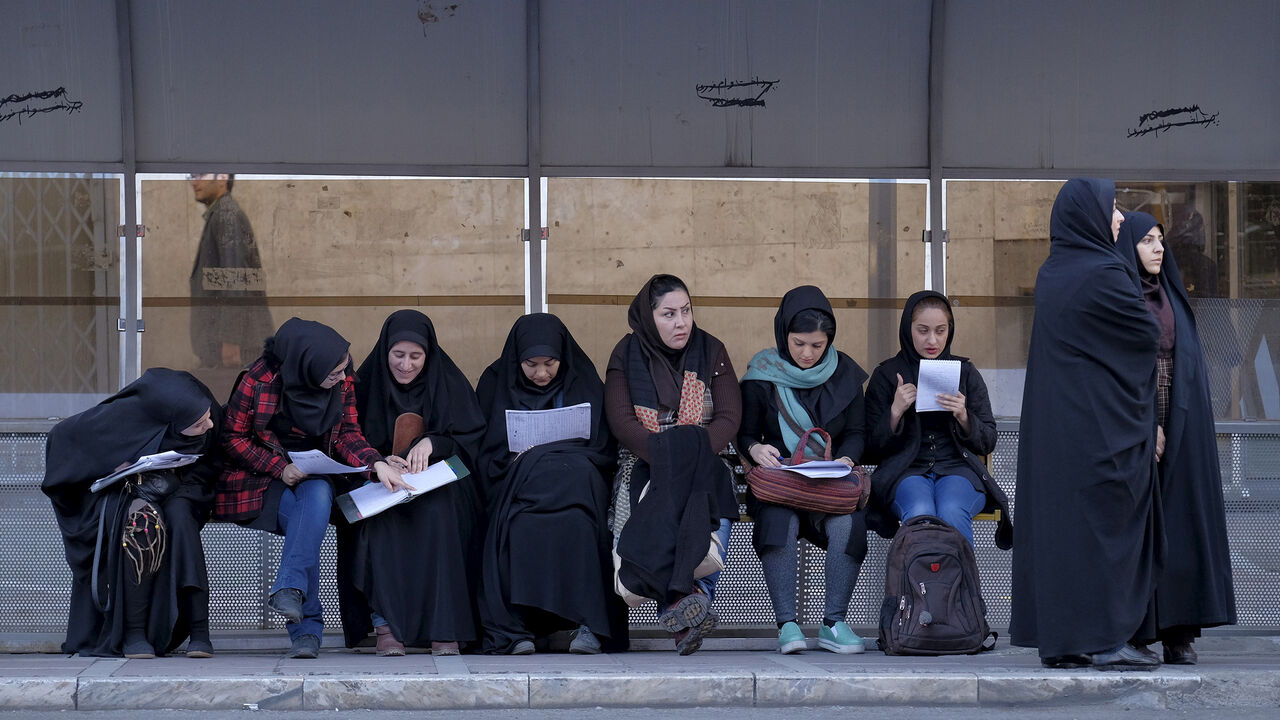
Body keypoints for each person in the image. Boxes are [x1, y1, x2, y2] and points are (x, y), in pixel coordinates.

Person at [1009, 178, 1163, 670]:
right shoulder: (1103, 271)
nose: (1119, 218)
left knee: (1065, 536)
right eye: (1112, 208)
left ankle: (1065, 641)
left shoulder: (1053, 271)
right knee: (1106, 531)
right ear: (1089, 216)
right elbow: (1145, 335)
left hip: (1059, 432)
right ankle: (1105, 637)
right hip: (1101, 432)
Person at [215, 317, 409, 659]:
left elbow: (348, 433)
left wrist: (375, 464)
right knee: (307, 525)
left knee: (317, 499)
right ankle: (304, 625)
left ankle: (294, 599)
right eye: (334, 373)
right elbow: (232, 438)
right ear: (307, 366)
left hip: (316, 473)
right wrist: (279, 467)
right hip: (260, 476)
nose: (343, 378)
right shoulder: (257, 381)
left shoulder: (342, 382)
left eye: (343, 370)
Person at [1117, 211, 1237, 664]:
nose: (1157, 248)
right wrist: (1147, 423)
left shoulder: (1171, 295)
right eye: (1146, 240)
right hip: (1136, 414)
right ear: (1128, 246)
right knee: (1140, 523)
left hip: (1180, 413)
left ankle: (1178, 632)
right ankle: (1137, 629)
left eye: (1160, 240)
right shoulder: (1123, 296)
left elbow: (1188, 359)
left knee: (1182, 521)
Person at [605, 274, 741, 655]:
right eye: (668, 314)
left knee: (708, 493)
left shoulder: (711, 349)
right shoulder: (626, 354)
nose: (681, 322)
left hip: (705, 459)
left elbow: (729, 417)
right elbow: (621, 421)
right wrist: (668, 457)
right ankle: (690, 599)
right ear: (649, 318)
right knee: (657, 499)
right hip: (647, 459)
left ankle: (683, 607)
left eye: (686, 311)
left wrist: (690, 454)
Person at [475, 313, 626, 655]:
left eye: (550, 363)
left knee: (582, 525)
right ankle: (517, 629)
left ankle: (590, 626)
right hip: (519, 491)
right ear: (517, 359)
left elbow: (603, 449)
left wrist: (549, 455)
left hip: (574, 489)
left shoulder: (583, 381)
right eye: (531, 364)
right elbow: (483, 453)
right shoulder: (495, 382)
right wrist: (519, 461)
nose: (542, 373)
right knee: (518, 526)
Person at [43, 369, 221, 659]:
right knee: (143, 521)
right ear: (170, 422)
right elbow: (63, 440)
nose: (210, 424)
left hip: (184, 493)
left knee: (181, 521)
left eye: (207, 417)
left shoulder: (206, 417)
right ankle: (134, 633)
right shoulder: (124, 420)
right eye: (199, 423)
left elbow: (210, 469)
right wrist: (112, 467)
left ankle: (199, 632)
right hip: (125, 498)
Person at [341, 309, 487, 657]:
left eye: (415, 356)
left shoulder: (447, 383)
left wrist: (433, 443)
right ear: (385, 351)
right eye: (398, 355)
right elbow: (346, 438)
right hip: (382, 484)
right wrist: (378, 461)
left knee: (441, 514)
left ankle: (444, 627)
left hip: (439, 485)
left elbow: (471, 438)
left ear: (429, 354)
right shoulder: (366, 386)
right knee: (380, 522)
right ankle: (386, 627)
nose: (406, 365)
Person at [738, 286, 870, 655]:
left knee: (849, 523)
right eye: (798, 343)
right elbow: (745, 432)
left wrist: (846, 459)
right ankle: (788, 626)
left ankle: (833, 623)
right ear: (783, 334)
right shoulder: (762, 373)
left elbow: (858, 432)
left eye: (818, 345)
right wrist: (755, 447)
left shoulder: (845, 374)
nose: (808, 354)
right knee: (780, 522)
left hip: (829, 485)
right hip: (780, 483)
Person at [863, 290, 1011, 550]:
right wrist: (895, 412)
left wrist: (964, 417)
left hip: (958, 468)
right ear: (908, 329)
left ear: (949, 331)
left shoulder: (965, 372)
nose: (932, 340)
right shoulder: (887, 374)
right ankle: (920, 590)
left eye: (940, 331)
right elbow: (871, 447)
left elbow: (988, 440)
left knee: (952, 510)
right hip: (905, 471)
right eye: (923, 330)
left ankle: (960, 590)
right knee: (920, 511)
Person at [188, 173, 273, 378]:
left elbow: (235, 278)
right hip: (230, 344)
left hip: (236, 349)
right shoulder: (222, 214)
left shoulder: (226, 215)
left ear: (222, 179)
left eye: (201, 175)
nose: (194, 181)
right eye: (192, 175)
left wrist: (230, 339)